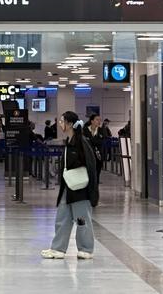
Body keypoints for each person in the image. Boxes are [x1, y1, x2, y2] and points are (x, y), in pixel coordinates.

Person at [42, 111, 99, 259]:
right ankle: (58, 248)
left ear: (68, 124)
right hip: (69, 187)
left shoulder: (81, 142)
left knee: (81, 219)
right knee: (62, 218)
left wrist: (93, 191)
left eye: (62, 121)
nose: (60, 124)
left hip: (81, 190)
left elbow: (91, 166)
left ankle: (86, 248)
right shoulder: (70, 141)